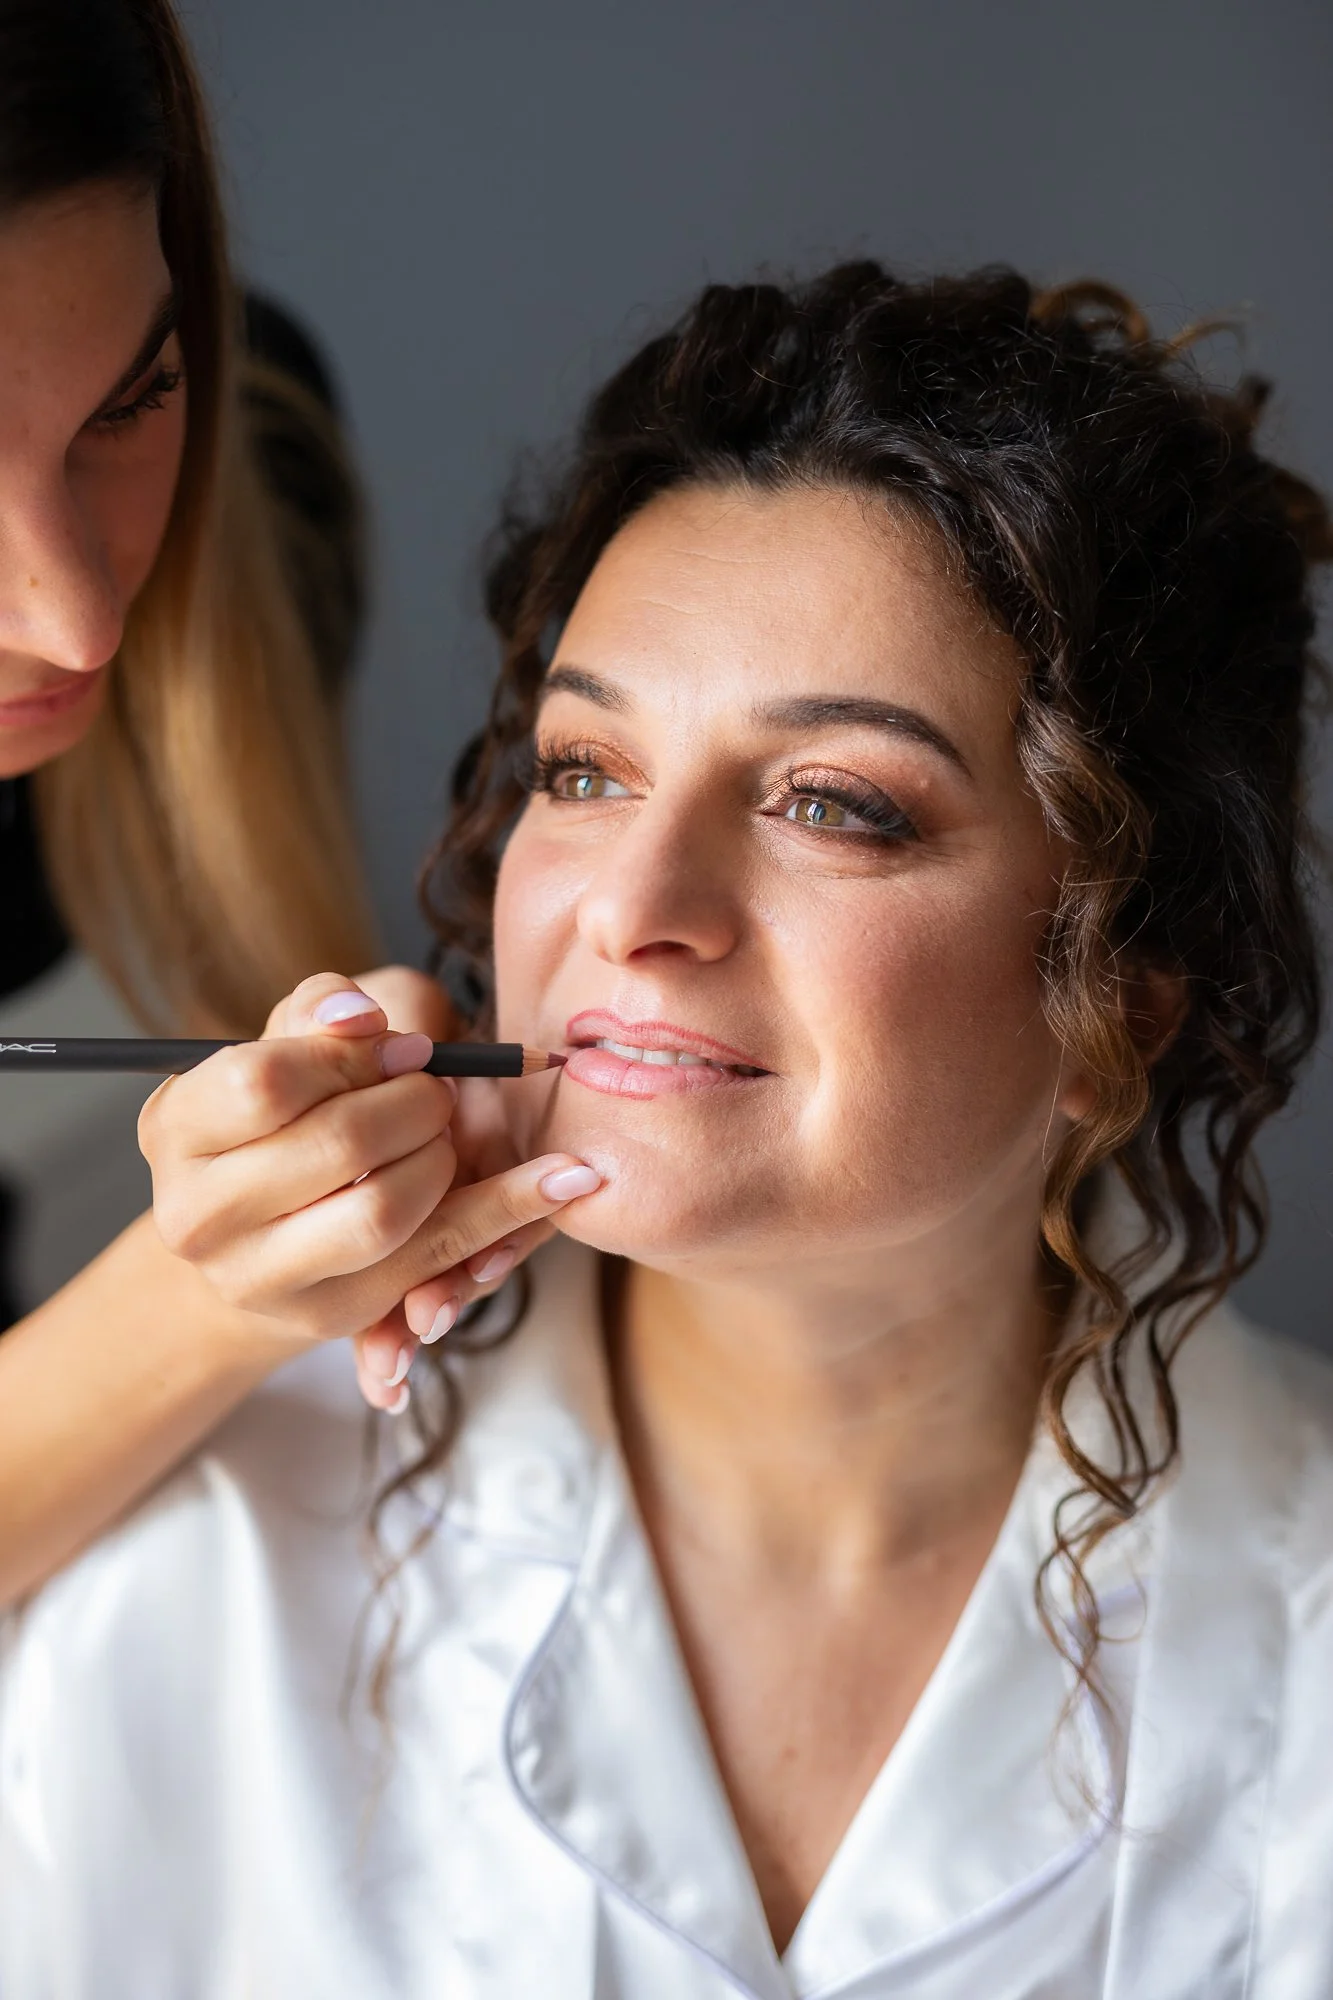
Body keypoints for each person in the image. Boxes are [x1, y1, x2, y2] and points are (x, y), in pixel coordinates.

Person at [4, 261, 1332, 1998]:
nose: (634, 904)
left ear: (1125, 1002)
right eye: (585, 772)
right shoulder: (199, 1562)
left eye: (832, 804)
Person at [0, 0, 595, 1608]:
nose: (78, 627)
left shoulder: (257, 485)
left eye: (126, 405)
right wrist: (209, 1301)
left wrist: (323, 1161)